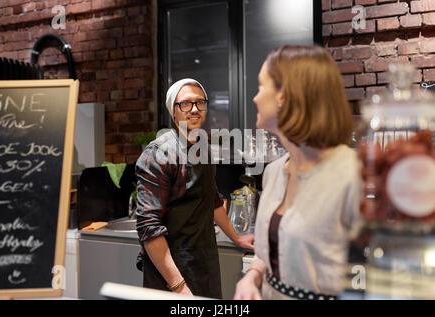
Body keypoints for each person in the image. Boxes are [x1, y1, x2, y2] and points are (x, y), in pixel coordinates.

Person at [233, 45, 362, 300]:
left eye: (261, 86)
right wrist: (253, 276)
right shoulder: (273, 172)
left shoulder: (352, 174)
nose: (255, 98)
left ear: (284, 95)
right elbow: (271, 251)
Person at [135, 78, 255, 298]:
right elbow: (148, 228)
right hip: (171, 272)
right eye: (186, 104)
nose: (194, 109)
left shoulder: (203, 148)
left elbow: (212, 199)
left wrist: (236, 238)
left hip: (203, 262)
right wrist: (178, 286)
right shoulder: (158, 154)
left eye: (200, 103)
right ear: (173, 111)